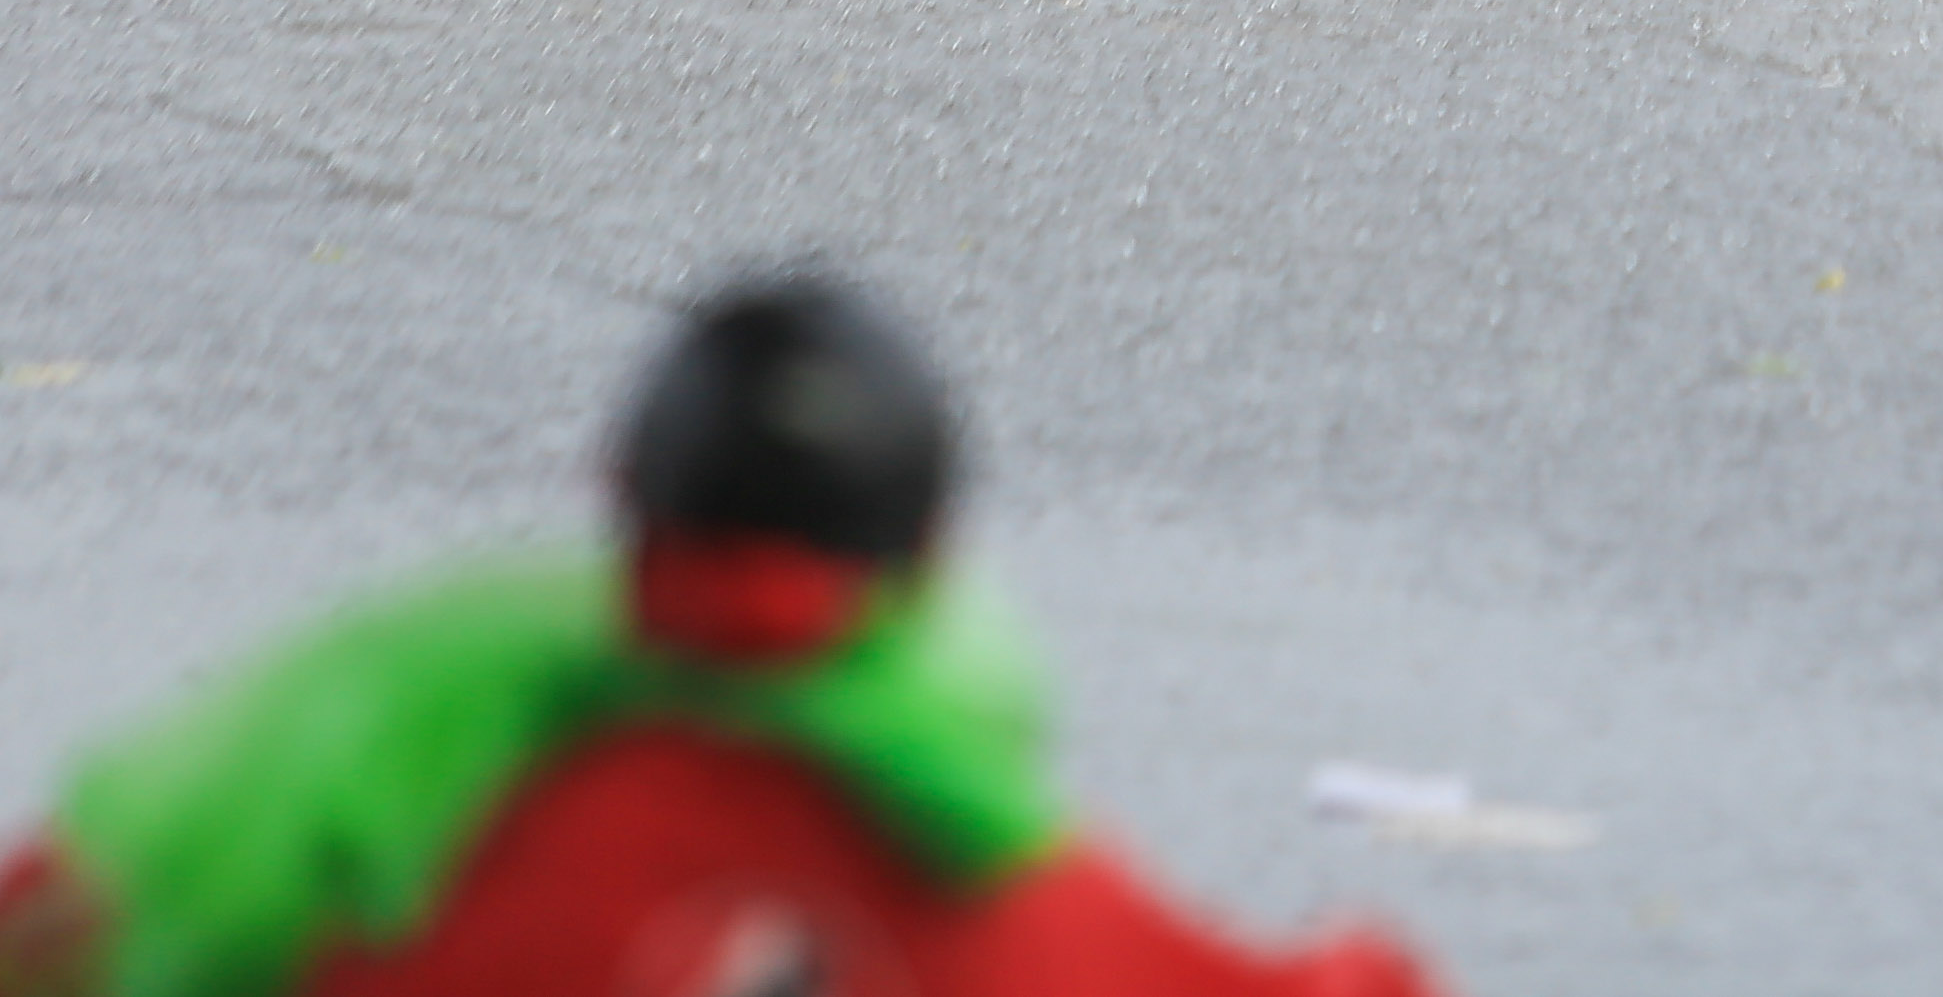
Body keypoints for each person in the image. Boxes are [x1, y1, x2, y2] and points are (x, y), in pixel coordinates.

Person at [0, 276, 1447, 997]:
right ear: (934, 551)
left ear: (623, 504)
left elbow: (55, 925)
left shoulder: (401, 838)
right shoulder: (1037, 915)